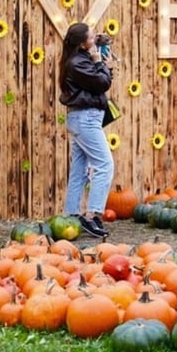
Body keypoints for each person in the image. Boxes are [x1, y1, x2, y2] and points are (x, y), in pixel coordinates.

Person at [58, 22, 115, 238]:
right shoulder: (78, 64)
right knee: (104, 165)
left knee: (79, 169)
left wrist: (101, 49)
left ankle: (71, 216)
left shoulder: (77, 58)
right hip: (86, 119)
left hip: (82, 117)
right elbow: (101, 83)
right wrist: (102, 65)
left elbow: (98, 82)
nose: (93, 40)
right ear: (82, 44)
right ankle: (92, 216)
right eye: (90, 38)